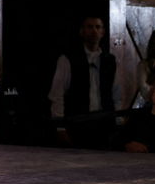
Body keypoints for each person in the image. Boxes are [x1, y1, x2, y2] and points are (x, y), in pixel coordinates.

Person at [49, 15, 124, 148]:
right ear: (82, 31)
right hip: (77, 123)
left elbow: (117, 95)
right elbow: (57, 95)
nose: (94, 31)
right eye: (90, 27)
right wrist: (60, 126)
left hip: (104, 123)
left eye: (98, 27)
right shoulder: (68, 59)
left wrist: (118, 122)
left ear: (103, 32)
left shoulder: (110, 61)